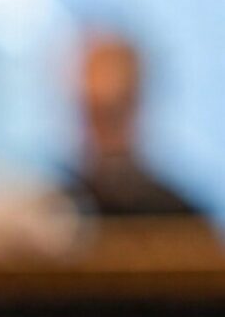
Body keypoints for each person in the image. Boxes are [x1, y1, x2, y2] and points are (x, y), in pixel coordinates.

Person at [68, 32, 199, 217]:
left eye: (115, 111)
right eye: (95, 110)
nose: (105, 128)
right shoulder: (58, 209)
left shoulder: (180, 215)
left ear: (138, 104)